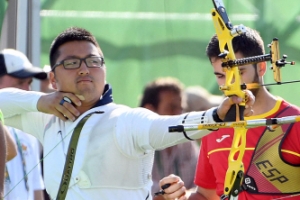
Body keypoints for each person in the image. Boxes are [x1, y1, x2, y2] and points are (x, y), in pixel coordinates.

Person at [0, 27, 254, 200]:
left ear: (104, 69)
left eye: (93, 61)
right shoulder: (47, 118)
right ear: (53, 79)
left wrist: (217, 117)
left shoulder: (126, 120)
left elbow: (167, 126)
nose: (84, 69)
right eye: (71, 62)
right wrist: (41, 101)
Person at [160, 27, 300, 200]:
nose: (229, 84)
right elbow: (206, 195)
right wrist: (175, 196)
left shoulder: (294, 122)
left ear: (261, 67)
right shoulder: (214, 124)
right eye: (220, 76)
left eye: (239, 72)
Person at [139, 77, 199, 200]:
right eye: (172, 108)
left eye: (181, 108)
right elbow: (142, 193)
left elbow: (201, 187)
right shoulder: (136, 144)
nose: (179, 115)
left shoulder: (187, 141)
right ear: (149, 111)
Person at [0, 49, 46, 200]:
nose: (27, 90)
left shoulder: (29, 126)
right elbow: (11, 152)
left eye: (29, 83)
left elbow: (36, 189)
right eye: (20, 83)